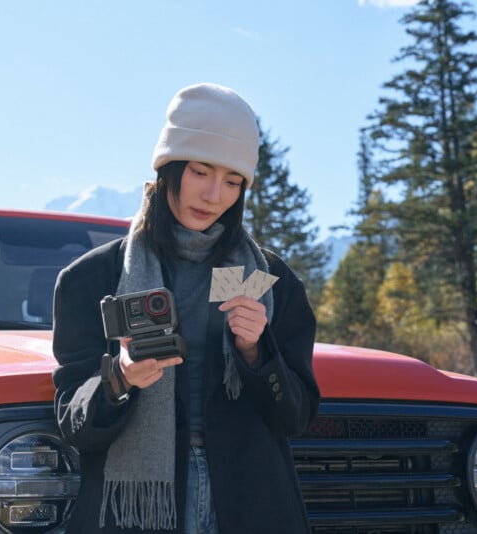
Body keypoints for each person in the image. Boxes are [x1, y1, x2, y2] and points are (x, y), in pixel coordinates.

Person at [52, 82, 320, 533]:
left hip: (250, 500)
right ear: (168, 168)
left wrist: (258, 354)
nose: (215, 194)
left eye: (233, 181)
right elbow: (71, 420)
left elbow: (298, 416)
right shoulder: (92, 279)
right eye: (200, 171)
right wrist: (120, 378)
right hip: (135, 512)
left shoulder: (274, 281)